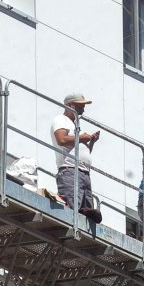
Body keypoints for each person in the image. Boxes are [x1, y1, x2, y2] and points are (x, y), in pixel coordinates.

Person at [51, 93, 102, 223]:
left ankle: (86, 213)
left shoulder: (74, 125)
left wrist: (91, 142)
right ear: (71, 105)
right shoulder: (61, 119)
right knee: (72, 208)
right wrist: (81, 138)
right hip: (70, 170)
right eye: (81, 105)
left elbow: (81, 152)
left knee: (86, 212)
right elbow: (61, 139)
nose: (83, 109)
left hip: (83, 172)